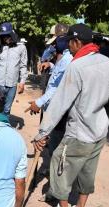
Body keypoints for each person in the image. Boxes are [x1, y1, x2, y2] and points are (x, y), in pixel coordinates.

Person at [33, 24, 109, 207]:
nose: (68, 46)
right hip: (99, 130)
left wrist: (42, 132)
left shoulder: (76, 67)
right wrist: (103, 93)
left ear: (77, 42)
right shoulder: (108, 62)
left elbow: (60, 102)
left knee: (58, 164)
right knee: (87, 172)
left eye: (69, 42)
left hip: (80, 130)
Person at [25, 35, 73, 174]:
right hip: (53, 106)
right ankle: (53, 171)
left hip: (59, 110)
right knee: (53, 141)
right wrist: (51, 66)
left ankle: (56, 180)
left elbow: (57, 87)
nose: (51, 48)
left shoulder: (67, 60)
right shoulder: (63, 59)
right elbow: (56, 77)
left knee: (55, 143)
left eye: (54, 45)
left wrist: (39, 102)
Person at [0, 22, 28, 116]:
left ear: (12, 34)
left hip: (11, 85)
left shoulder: (21, 47)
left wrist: (22, 82)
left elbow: (23, 66)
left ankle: (4, 127)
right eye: (3, 36)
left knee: (6, 109)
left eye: (8, 35)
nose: (6, 38)